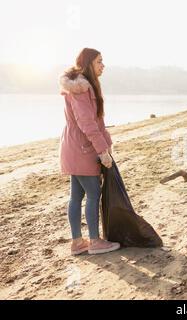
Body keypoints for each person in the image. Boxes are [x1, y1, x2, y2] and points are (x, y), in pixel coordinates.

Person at [59, 48, 120, 255]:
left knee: (76, 195)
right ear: (88, 64)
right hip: (83, 147)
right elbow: (87, 123)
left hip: (73, 146)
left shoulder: (82, 86)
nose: (103, 65)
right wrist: (102, 151)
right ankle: (94, 241)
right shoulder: (82, 88)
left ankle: (77, 243)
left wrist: (106, 145)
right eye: (99, 62)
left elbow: (95, 122)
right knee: (93, 192)